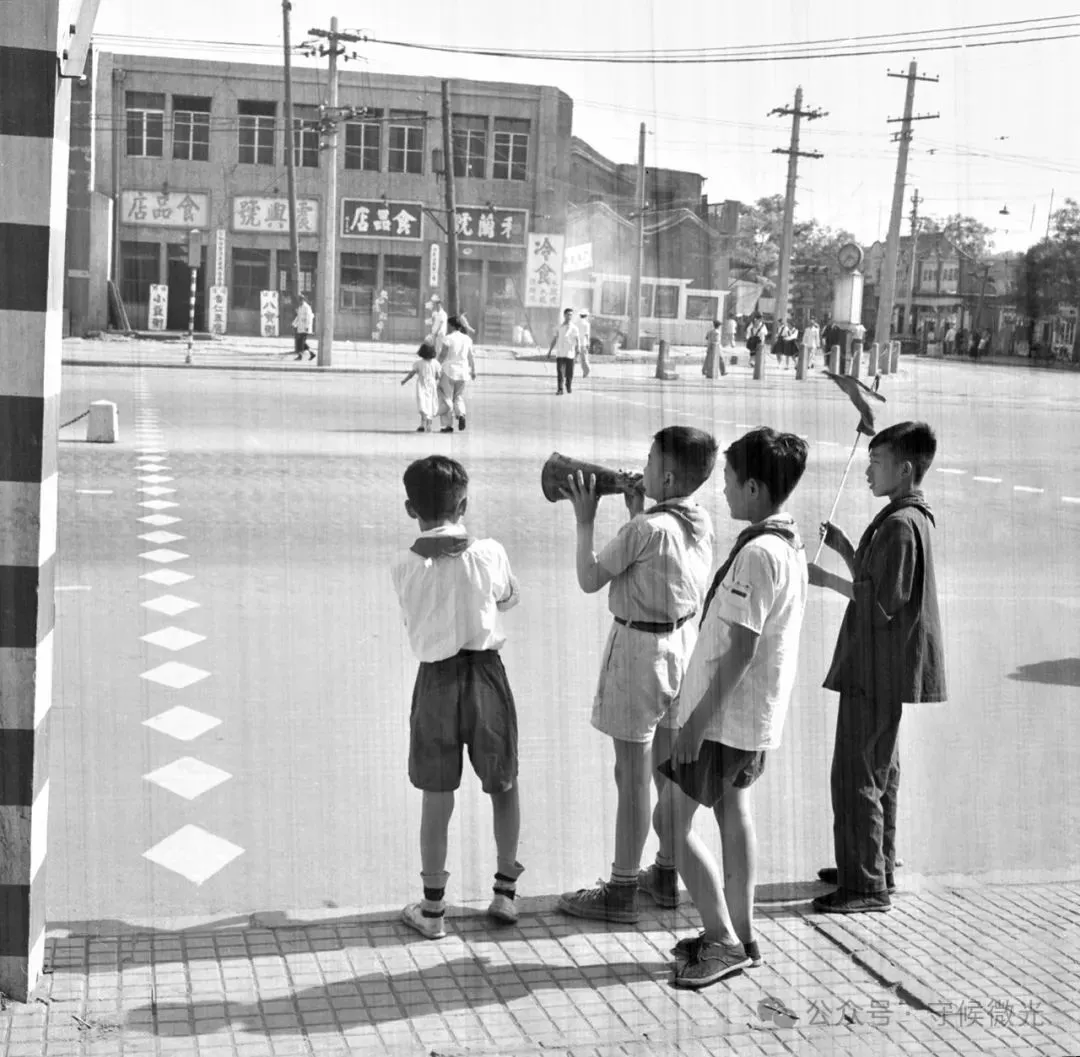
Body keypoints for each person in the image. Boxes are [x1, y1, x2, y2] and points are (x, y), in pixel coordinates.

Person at [653, 428, 809, 989]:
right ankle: (743, 934)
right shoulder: (787, 544)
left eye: (728, 481)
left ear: (755, 487)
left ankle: (720, 938)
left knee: (667, 822)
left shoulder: (760, 554)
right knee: (732, 816)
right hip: (753, 720)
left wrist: (695, 725)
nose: (721, 490)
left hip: (726, 721)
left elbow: (741, 647)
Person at [557, 427, 718, 924]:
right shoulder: (697, 522)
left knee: (630, 775)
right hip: (682, 648)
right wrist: (635, 510)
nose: (641, 468)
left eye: (649, 462)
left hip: (638, 654)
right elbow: (657, 566)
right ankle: (666, 874)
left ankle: (621, 888)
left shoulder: (646, 530)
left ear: (666, 475)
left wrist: (585, 520)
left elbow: (590, 578)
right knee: (665, 769)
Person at [808, 422, 946, 914]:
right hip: (885, 666)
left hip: (875, 666)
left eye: (878, 461)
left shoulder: (898, 525)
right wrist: (847, 549)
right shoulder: (909, 518)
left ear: (905, 469)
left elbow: (880, 603)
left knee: (856, 772)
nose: (868, 470)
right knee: (880, 768)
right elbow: (884, 582)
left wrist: (825, 577)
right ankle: (871, 863)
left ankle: (865, 885)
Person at [390, 455, 525, 938]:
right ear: (464, 503)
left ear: (411, 508)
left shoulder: (402, 566)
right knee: (503, 783)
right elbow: (508, 597)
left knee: (436, 793)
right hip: (486, 674)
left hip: (435, 682)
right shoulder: (489, 552)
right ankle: (505, 893)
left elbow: (414, 619)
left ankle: (432, 911)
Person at [437, 316, 476, 433]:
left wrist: (436, 366)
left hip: (449, 371)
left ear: (452, 326)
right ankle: (461, 414)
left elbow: (443, 354)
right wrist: (473, 370)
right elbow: (470, 356)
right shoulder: (467, 339)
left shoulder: (448, 338)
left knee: (446, 397)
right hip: (463, 373)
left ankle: (448, 426)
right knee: (458, 396)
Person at [401, 342, 442, 432]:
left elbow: (412, 374)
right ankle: (428, 425)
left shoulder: (418, 363)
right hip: (432, 384)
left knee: (423, 404)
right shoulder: (435, 363)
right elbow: (438, 376)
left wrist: (404, 380)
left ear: (421, 352)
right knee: (430, 404)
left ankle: (422, 425)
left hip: (421, 385)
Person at [547, 307, 581, 394]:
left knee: (570, 373)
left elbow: (577, 340)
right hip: (560, 353)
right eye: (568, 314)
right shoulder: (559, 327)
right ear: (564, 315)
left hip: (570, 353)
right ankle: (560, 389)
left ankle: (568, 385)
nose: (570, 316)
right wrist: (550, 351)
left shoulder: (574, 328)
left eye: (571, 315)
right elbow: (554, 339)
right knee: (560, 372)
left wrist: (578, 349)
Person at [292, 294, 315, 361]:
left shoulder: (307, 307)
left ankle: (300, 356)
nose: (300, 301)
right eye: (299, 300)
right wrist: (294, 324)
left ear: (303, 300)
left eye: (301, 300)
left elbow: (309, 317)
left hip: (305, 328)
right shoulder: (300, 307)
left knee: (301, 342)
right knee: (302, 342)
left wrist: (307, 326)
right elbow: (298, 317)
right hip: (301, 328)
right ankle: (312, 353)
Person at [577, 311, 592, 378]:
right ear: (586, 316)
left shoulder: (576, 323)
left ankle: (567, 372)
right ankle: (587, 371)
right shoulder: (586, 324)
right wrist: (588, 343)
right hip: (583, 343)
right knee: (584, 359)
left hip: (576, 344)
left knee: (574, 359)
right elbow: (587, 334)